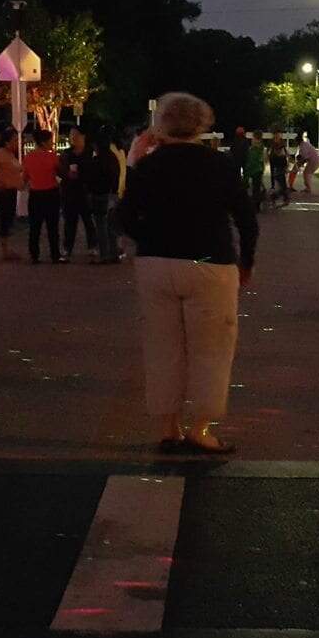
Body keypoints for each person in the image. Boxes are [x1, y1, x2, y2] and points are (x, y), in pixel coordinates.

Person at [118, 92, 258, 455]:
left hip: (156, 265)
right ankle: (201, 426)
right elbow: (246, 218)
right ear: (201, 124)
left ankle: (168, 426)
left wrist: (149, 239)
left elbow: (122, 216)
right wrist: (247, 262)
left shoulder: (148, 167)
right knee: (211, 349)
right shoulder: (219, 165)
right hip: (210, 263)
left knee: (163, 347)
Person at [23, 128, 62, 263]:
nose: (52, 143)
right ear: (44, 142)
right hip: (51, 193)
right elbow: (60, 173)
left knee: (35, 227)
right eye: (50, 140)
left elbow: (24, 178)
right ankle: (55, 254)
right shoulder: (53, 157)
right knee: (52, 227)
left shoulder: (28, 157)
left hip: (35, 194)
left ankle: (34, 255)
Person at [84, 126, 123, 264]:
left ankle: (104, 254)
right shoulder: (112, 158)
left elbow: (91, 178)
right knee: (110, 225)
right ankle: (114, 254)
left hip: (99, 194)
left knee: (101, 226)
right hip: (111, 194)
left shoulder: (97, 160)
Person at [59, 126, 97, 261]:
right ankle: (67, 248)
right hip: (69, 192)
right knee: (70, 222)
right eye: (71, 135)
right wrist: (66, 174)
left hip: (86, 191)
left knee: (89, 221)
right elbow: (60, 170)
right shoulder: (66, 153)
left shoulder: (90, 152)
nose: (72, 138)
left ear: (83, 136)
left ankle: (93, 246)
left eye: (75, 135)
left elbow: (95, 171)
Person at [0, 130, 23, 261]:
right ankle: (4, 249)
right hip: (4, 191)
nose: (17, 143)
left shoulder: (10, 154)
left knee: (8, 219)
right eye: (14, 140)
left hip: (11, 190)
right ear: (6, 142)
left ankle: (6, 248)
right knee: (5, 219)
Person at [242, 131, 267, 209]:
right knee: (256, 187)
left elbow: (253, 160)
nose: (252, 139)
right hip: (258, 169)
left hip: (254, 169)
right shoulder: (260, 147)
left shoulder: (255, 148)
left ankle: (255, 205)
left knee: (254, 188)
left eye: (253, 138)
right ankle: (256, 204)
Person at [266, 132, 290, 206]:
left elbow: (286, 155)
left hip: (281, 168)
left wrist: (287, 166)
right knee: (282, 185)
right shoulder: (273, 148)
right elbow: (269, 153)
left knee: (283, 185)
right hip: (277, 168)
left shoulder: (282, 146)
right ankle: (279, 198)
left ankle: (277, 198)